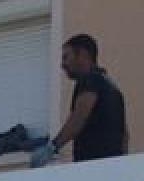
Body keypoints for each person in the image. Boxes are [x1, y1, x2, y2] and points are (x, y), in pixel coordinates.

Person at [32, 34, 127, 166]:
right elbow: (124, 135)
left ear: (82, 54)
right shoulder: (113, 87)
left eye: (66, 57)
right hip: (112, 168)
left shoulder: (90, 80)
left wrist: (51, 147)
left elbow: (79, 117)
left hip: (91, 166)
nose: (62, 64)